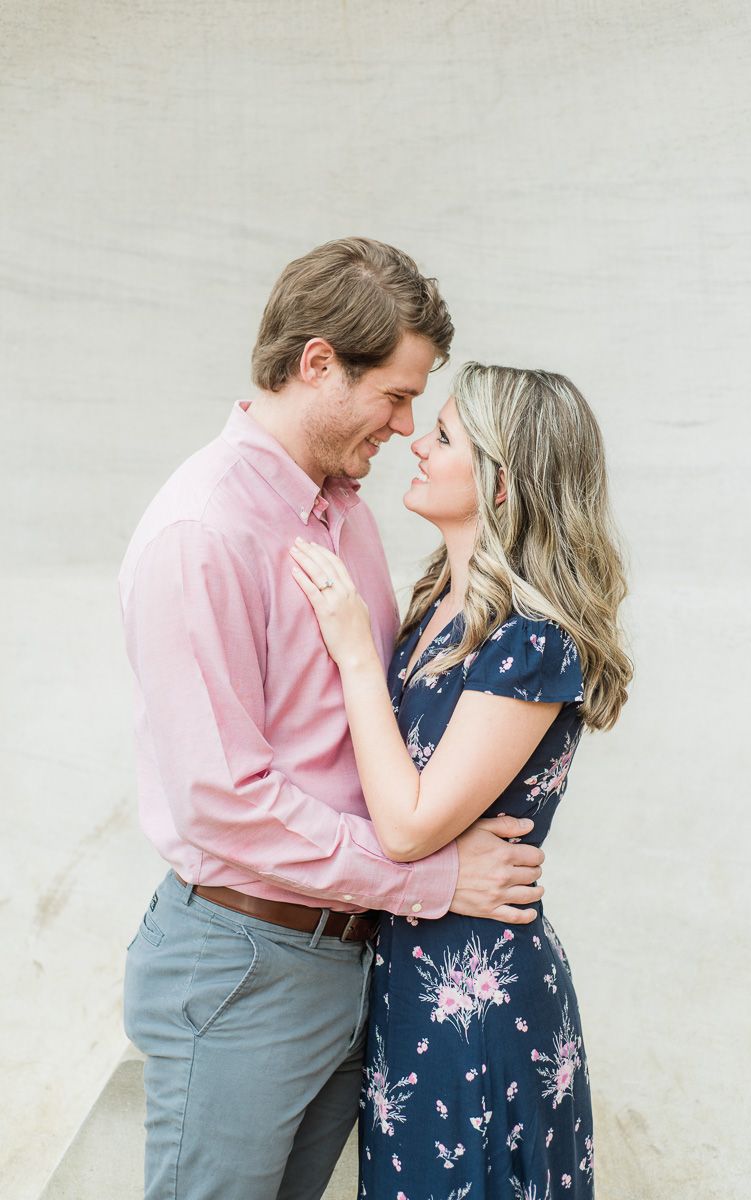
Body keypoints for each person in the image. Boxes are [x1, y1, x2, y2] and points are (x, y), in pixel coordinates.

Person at [119, 239, 548, 1200]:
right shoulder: (204, 533)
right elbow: (222, 802)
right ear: (319, 363)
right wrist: (430, 877)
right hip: (243, 961)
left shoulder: (342, 507)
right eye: (395, 396)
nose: (405, 427)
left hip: (351, 954)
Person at [289, 361, 633, 1199]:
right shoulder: (440, 602)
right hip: (413, 976)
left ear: (501, 483)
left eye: (442, 437)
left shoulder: (532, 641)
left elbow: (408, 827)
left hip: (476, 1001)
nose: (415, 442)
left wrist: (355, 654)